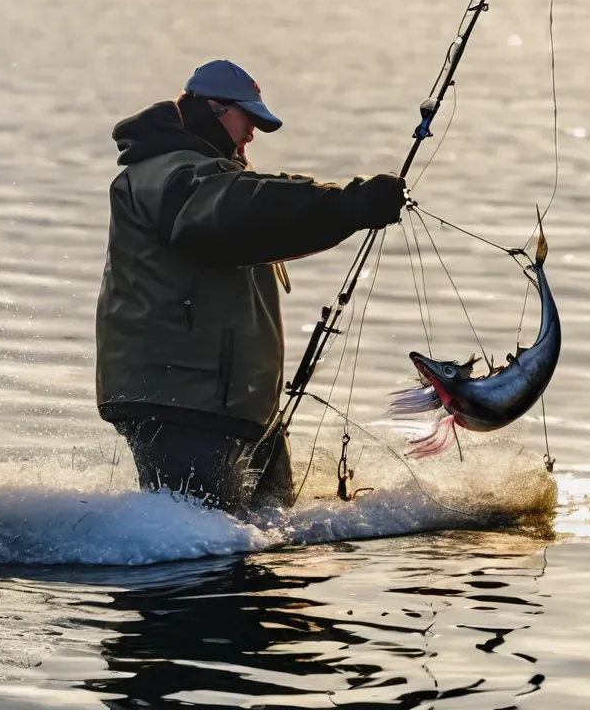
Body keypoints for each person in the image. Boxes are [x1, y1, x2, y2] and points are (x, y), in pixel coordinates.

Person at [95, 59, 406, 513]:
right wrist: (347, 205)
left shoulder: (213, 177)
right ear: (214, 110)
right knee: (202, 550)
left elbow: (253, 212)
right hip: (183, 400)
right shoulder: (168, 173)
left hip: (237, 408)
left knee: (267, 534)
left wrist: (345, 212)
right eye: (248, 120)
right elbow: (241, 208)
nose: (252, 135)